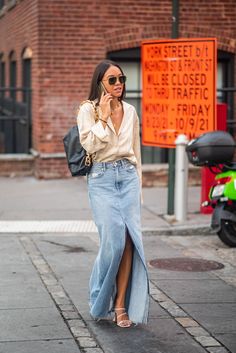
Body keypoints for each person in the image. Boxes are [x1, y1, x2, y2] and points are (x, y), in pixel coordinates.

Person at [77, 60, 149, 328]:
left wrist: (138, 190)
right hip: (102, 178)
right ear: (100, 83)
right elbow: (90, 144)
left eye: (121, 79)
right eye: (112, 80)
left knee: (130, 241)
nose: (118, 84)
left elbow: (136, 153)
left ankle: (120, 305)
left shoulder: (130, 111)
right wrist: (104, 116)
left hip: (128, 177)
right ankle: (99, 295)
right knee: (114, 243)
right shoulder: (88, 110)